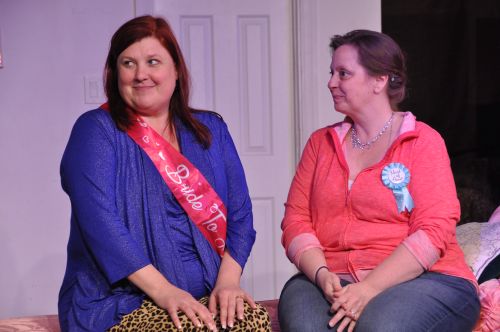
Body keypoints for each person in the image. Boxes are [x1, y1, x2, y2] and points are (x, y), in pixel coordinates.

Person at [58, 15, 271, 332]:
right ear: (115, 73)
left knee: (251, 321)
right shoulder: (95, 131)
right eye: (128, 63)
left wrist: (228, 281)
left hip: (204, 295)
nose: (140, 74)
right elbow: (101, 225)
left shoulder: (210, 129)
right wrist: (164, 291)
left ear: (176, 71)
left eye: (152, 61)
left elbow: (240, 213)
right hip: (121, 302)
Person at [278, 30, 480, 332]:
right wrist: (321, 274)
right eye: (332, 73)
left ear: (380, 79)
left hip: (427, 278)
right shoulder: (320, 144)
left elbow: (435, 228)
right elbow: (296, 220)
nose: (331, 82)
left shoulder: (422, 141)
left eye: (343, 73)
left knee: (379, 325)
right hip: (331, 275)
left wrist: (368, 288)